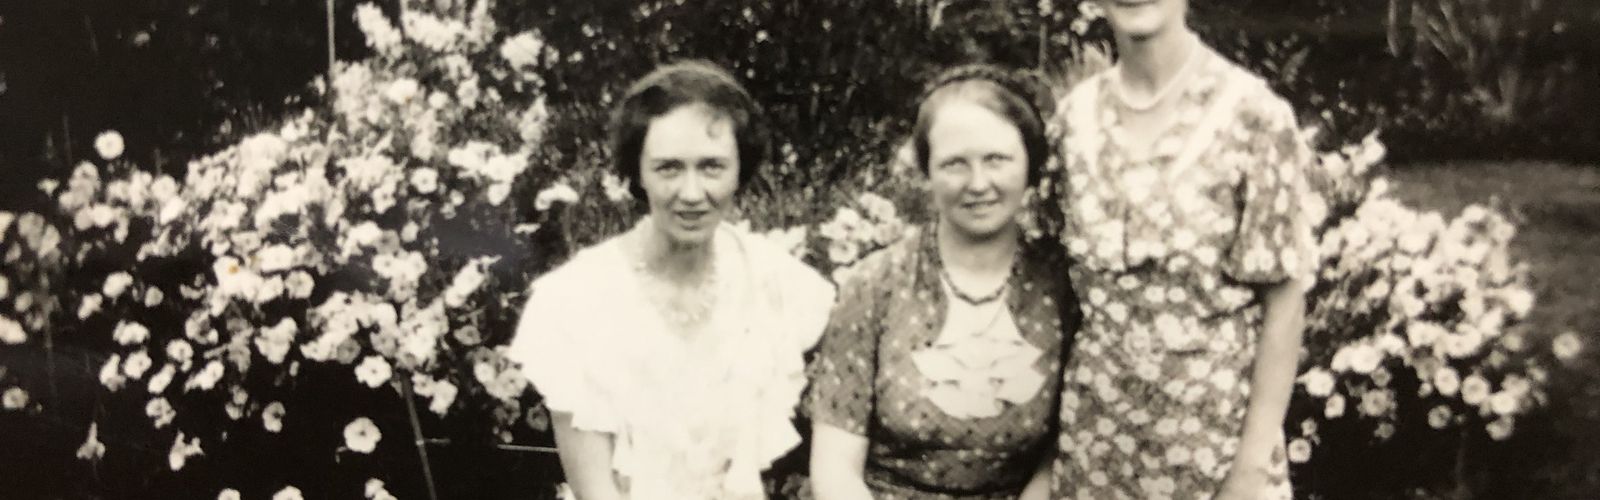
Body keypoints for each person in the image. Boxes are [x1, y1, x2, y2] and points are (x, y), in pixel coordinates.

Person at [507, 61, 835, 500]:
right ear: (638, 173)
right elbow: (595, 491)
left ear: (740, 170)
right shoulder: (576, 300)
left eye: (712, 167)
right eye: (668, 168)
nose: (692, 193)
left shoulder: (775, 283)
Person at [1047, 1, 1317, 498]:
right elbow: (1052, 285)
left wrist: (1249, 472)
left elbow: (1285, 302)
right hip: (1095, 453)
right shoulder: (1072, 120)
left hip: (1219, 453)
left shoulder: (1253, 115)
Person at [809, 65, 1081, 500]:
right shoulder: (875, 284)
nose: (978, 184)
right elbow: (835, 467)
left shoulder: (1064, 285)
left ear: (1030, 164)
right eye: (955, 164)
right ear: (926, 172)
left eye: (997, 160)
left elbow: (1065, 448)